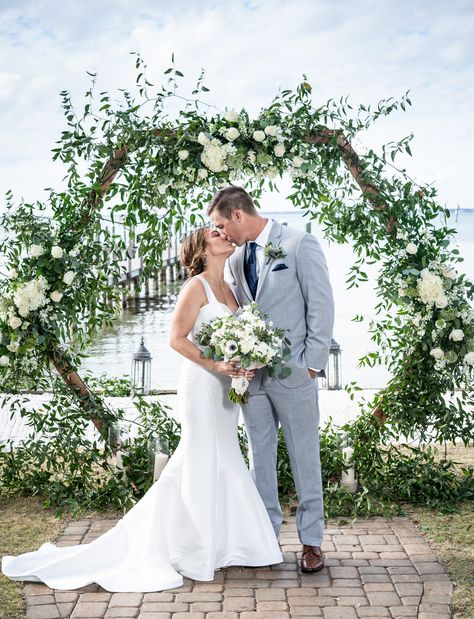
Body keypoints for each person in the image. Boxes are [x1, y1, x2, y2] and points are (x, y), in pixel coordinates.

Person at [1, 226, 283, 592]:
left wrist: (242, 361)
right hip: (201, 386)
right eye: (216, 233)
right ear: (201, 249)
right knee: (201, 457)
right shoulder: (194, 287)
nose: (226, 235)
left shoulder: (228, 286)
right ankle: (197, 548)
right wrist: (216, 366)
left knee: (225, 456)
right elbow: (177, 340)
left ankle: (230, 544)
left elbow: (231, 341)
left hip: (226, 387)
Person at [209, 186, 335, 574]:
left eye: (219, 224)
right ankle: (266, 538)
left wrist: (311, 365)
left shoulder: (299, 244)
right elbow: (239, 313)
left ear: (237, 216)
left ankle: (311, 542)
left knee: (304, 458)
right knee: (259, 460)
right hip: (253, 379)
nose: (218, 232)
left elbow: (322, 305)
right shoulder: (235, 259)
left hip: (294, 375)